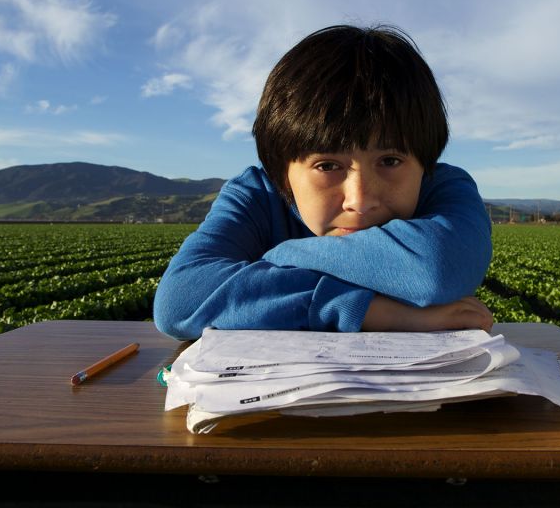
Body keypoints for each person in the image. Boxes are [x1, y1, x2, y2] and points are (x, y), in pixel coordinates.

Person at [153, 25, 493, 340]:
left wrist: (282, 255)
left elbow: (436, 268)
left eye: (390, 161)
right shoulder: (255, 194)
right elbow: (180, 300)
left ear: (426, 162)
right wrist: (369, 310)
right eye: (328, 165)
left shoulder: (442, 185)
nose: (359, 200)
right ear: (280, 169)